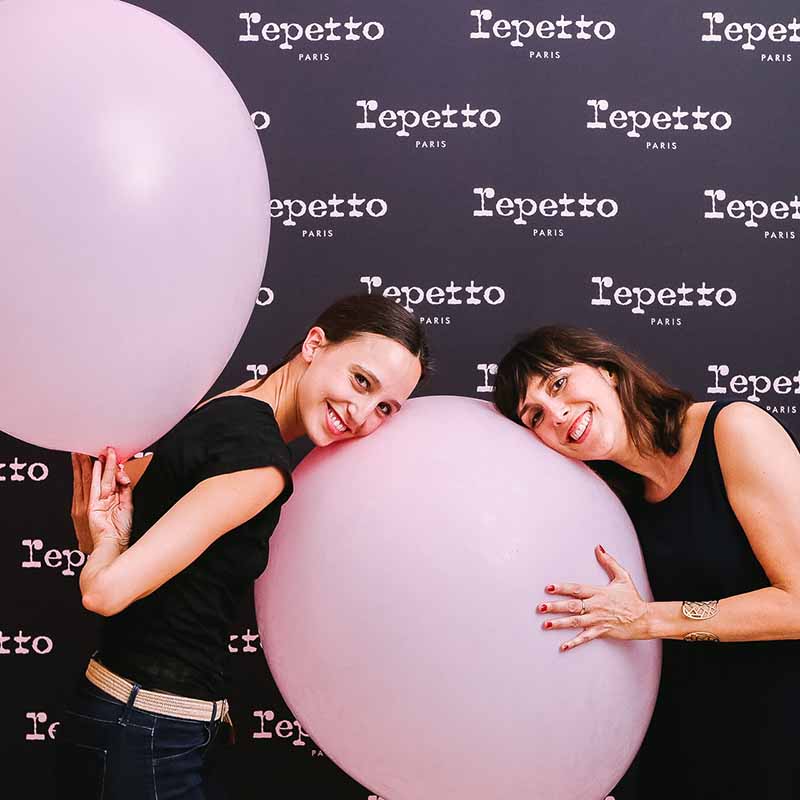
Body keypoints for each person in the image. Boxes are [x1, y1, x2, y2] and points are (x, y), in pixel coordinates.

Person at [56, 293, 432, 799]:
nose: (361, 412)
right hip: (148, 732)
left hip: (123, 716)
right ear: (315, 344)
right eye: (360, 381)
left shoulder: (232, 405)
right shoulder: (260, 464)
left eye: (385, 407)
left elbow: (142, 574)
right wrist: (104, 538)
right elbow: (104, 592)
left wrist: (105, 537)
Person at [492, 324, 800, 800]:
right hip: (681, 748)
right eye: (535, 416)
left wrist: (647, 618)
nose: (557, 414)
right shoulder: (609, 502)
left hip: (779, 737)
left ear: (607, 371)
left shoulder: (732, 429)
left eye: (558, 384)